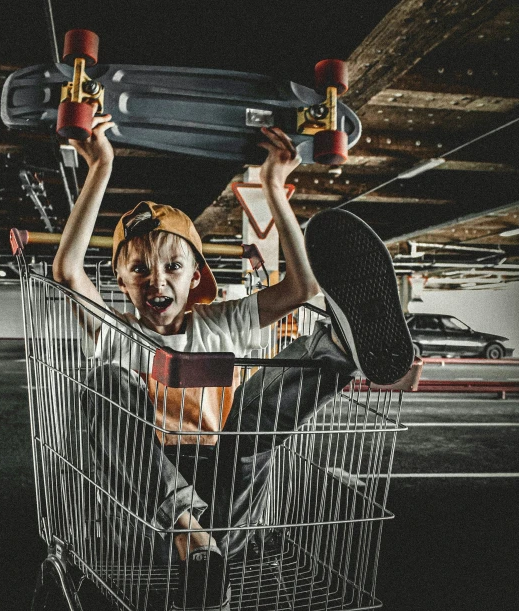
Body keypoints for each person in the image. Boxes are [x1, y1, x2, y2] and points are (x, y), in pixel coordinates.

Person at [53, 106, 414, 611]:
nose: (158, 280)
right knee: (107, 382)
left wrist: (272, 186)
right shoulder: (116, 333)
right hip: (148, 500)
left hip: (226, 483)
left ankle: (340, 350)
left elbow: (301, 286)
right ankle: (192, 538)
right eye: (140, 269)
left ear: (195, 274)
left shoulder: (217, 323)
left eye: (173, 267)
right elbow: (68, 270)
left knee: (250, 413)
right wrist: (100, 168)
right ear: (121, 281)